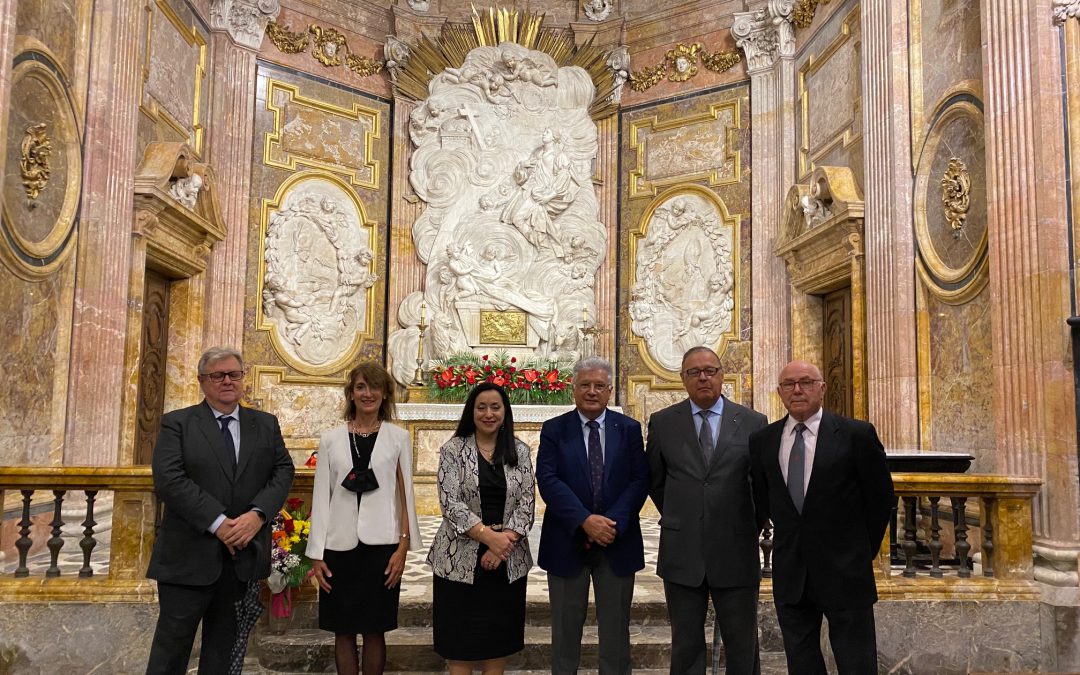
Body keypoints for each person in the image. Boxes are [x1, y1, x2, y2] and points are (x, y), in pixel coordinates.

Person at [146, 346, 295, 674]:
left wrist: (257, 515)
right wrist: (218, 523)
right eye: (218, 375)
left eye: (234, 374)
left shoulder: (265, 425)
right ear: (202, 381)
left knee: (225, 655)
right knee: (170, 651)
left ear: (243, 379)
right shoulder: (178, 424)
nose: (227, 381)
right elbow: (169, 480)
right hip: (187, 559)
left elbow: (283, 471)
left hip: (241, 560)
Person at [749, 361, 894, 675]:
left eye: (806, 382)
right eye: (789, 384)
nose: (797, 390)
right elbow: (763, 498)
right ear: (779, 392)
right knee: (801, 663)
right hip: (791, 572)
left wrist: (859, 551)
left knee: (856, 662)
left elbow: (880, 499)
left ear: (822, 388)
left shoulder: (855, 434)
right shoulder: (764, 440)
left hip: (845, 570)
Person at [645, 346, 768, 675]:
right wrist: (683, 515)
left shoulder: (754, 423)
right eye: (694, 372)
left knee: (742, 644)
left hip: (736, 547)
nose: (703, 377)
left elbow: (760, 484)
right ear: (683, 379)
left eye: (710, 371)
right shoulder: (663, 422)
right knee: (685, 644)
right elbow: (656, 482)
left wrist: (744, 522)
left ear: (722, 375)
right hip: (682, 550)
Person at [307, 362, 423, 675]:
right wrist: (316, 555)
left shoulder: (398, 438)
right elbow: (321, 498)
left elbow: (405, 495)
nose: (367, 393)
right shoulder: (331, 439)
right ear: (351, 393)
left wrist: (403, 546)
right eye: (360, 387)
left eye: (374, 387)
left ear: (385, 394)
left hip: (381, 546)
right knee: (342, 629)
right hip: (338, 547)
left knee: (374, 629)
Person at [536, 357, 650, 674]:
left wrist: (611, 523)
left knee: (615, 636)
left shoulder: (628, 429)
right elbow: (547, 479)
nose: (591, 391)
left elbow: (640, 480)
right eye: (585, 384)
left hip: (618, 541)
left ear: (610, 390)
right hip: (566, 541)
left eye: (599, 385)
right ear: (573, 389)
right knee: (565, 633)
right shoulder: (554, 429)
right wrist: (585, 520)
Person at [427, 382, 536, 674]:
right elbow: (450, 503)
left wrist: (501, 547)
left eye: (495, 407)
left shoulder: (520, 451)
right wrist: (490, 539)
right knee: (459, 641)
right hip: (458, 558)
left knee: (497, 639)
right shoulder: (453, 449)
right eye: (482, 407)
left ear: (505, 412)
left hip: (507, 560)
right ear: (471, 411)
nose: (489, 413)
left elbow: (527, 503)